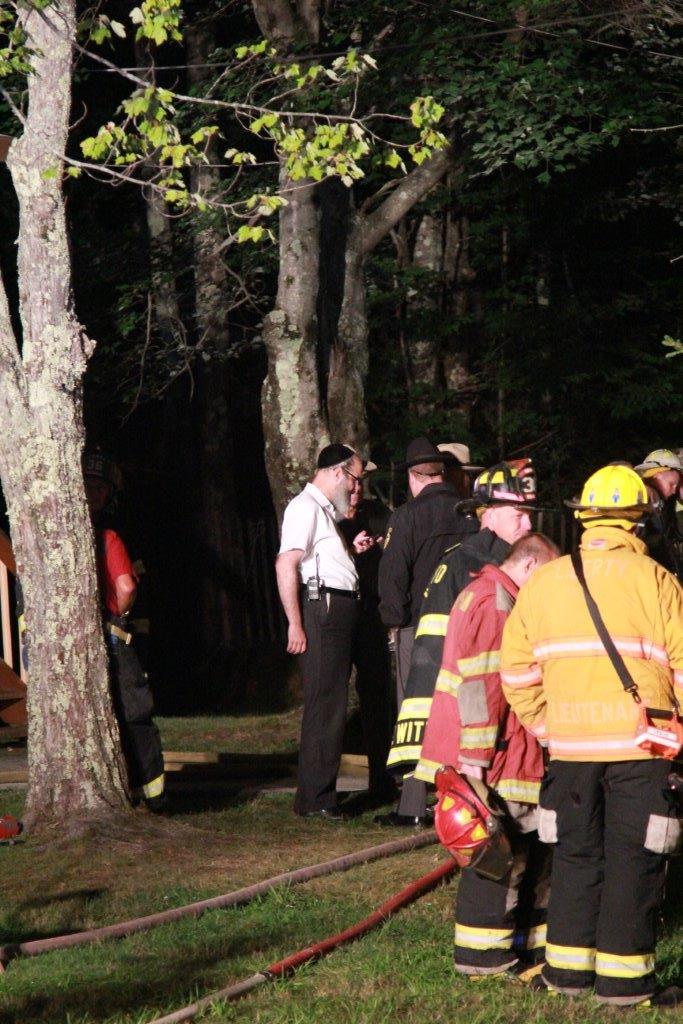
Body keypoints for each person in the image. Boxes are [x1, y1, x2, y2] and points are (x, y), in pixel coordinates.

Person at [501, 463, 683, 1009]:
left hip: (571, 754)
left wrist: (549, 730)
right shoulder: (657, 581)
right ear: (639, 521)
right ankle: (625, 984)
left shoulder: (545, 582)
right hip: (642, 750)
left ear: (584, 519)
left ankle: (568, 975)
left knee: (576, 858)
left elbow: (516, 673)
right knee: (634, 858)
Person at [419, 534, 559, 976]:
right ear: (532, 566)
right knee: (497, 855)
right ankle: (483, 959)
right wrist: (476, 762)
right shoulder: (497, 604)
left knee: (523, 852)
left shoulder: (482, 593)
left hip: (493, 752)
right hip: (495, 757)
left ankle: (523, 949)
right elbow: (482, 688)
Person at [381, 461, 537, 826]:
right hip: (479, 720)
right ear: (491, 514)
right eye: (520, 514)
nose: (528, 524)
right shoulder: (465, 566)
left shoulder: (512, 560)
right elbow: (434, 655)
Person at [276, 443, 369, 819]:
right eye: (355, 478)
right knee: (325, 705)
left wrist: (351, 552)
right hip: (323, 611)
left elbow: (320, 559)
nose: (357, 487)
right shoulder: (305, 508)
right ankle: (315, 799)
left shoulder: (324, 514)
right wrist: (295, 623)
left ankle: (319, 794)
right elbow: (287, 564)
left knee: (331, 702)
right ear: (336, 472)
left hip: (333, 609)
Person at [83, 450, 166, 812]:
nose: (95, 493)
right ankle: (153, 796)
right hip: (115, 636)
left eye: (101, 487)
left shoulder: (97, 534)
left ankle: (147, 793)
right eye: (91, 485)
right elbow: (127, 587)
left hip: (98, 637)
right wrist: (121, 614)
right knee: (133, 713)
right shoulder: (107, 536)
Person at [378, 436, 475, 710]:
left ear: (412, 476)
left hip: (417, 628)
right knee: (459, 705)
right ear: (441, 473)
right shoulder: (470, 512)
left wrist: (393, 621)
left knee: (416, 709)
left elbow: (392, 576)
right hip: (464, 624)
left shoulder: (406, 516)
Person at [338, 456, 397, 803]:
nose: (358, 489)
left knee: (377, 698)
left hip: (372, 617)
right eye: (354, 482)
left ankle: (381, 779)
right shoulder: (327, 517)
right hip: (338, 616)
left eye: (363, 482)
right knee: (332, 701)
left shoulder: (379, 516)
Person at [634, 448, 682, 580]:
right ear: (657, 474)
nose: (674, 491)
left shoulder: (660, 501)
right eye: (672, 484)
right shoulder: (644, 496)